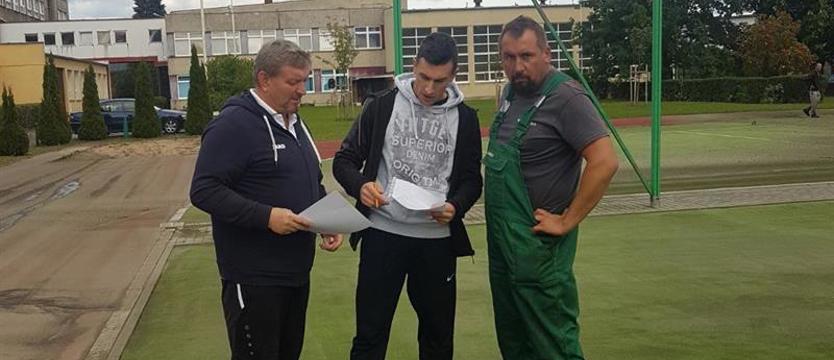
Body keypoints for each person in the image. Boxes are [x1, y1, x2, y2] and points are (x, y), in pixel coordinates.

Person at [333, 32, 483, 360]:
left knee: (438, 338)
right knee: (370, 335)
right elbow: (344, 162)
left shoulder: (467, 119)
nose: (429, 89)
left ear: (453, 76)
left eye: (439, 81)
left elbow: (473, 181)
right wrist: (361, 186)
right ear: (414, 66)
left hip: (436, 243)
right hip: (382, 237)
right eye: (424, 77)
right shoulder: (382, 105)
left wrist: (455, 206)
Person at [190, 39, 342, 360]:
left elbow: (311, 180)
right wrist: (266, 217)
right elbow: (204, 190)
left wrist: (329, 219)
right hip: (253, 276)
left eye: (305, 80)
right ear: (264, 80)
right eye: (293, 82)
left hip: (296, 272)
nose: (302, 90)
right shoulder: (233, 125)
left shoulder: (295, 122)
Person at [484, 16, 619, 360]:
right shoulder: (511, 94)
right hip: (504, 246)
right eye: (508, 57)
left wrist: (567, 220)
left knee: (553, 344)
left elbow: (604, 161)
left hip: (538, 251)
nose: (517, 66)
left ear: (546, 53)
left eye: (526, 56)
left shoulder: (566, 96)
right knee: (514, 340)